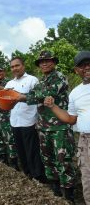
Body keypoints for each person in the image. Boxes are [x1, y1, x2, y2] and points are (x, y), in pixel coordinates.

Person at [16, 51, 75, 201]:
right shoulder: (40, 81)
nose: (44, 63)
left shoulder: (60, 77)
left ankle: (69, 196)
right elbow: (34, 94)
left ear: (53, 62)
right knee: (48, 160)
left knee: (63, 161)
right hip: (43, 127)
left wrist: (21, 97)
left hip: (60, 127)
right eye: (41, 62)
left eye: (48, 61)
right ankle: (55, 191)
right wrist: (18, 96)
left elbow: (45, 93)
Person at [44, 51, 90, 205]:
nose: (87, 67)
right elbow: (70, 119)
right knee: (87, 179)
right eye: (82, 65)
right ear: (76, 70)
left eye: (89, 63)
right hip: (84, 140)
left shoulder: (60, 79)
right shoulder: (76, 92)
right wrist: (53, 106)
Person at [4, 57, 45, 181]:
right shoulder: (10, 84)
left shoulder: (32, 80)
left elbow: (39, 98)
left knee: (32, 151)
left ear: (23, 66)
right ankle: (27, 174)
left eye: (17, 65)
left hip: (29, 122)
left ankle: (38, 176)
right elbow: (3, 97)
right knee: (21, 150)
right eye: (12, 67)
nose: (15, 68)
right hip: (15, 122)